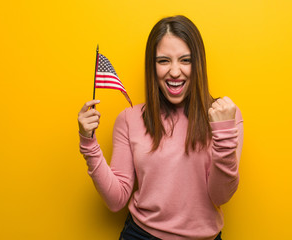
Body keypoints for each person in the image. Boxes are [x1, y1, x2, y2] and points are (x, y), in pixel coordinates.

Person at [78, 15, 243, 240]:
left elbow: (220, 195)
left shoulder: (223, 115)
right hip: (141, 235)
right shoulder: (129, 119)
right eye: (164, 61)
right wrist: (89, 145)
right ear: (152, 66)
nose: (174, 72)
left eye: (185, 60)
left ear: (199, 64)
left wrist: (223, 134)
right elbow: (116, 200)